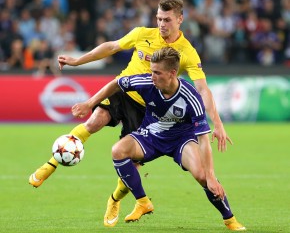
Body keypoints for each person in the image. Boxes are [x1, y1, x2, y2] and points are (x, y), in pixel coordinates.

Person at [29, 0, 232, 228]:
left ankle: (114, 199)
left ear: (180, 19)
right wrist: (78, 61)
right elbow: (112, 46)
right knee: (95, 120)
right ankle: (51, 163)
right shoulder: (143, 34)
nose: (161, 24)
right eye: (158, 18)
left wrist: (218, 123)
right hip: (123, 89)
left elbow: (202, 89)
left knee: (131, 164)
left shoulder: (187, 52)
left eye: (166, 19)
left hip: (148, 109)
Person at [71, 47, 246, 231]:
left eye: (156, 72)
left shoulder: (191, 97)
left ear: (172, 73)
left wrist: (211, 176)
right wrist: (89, 103)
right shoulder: (146, 81)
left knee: (202, 176)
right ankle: (142, 201)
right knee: (118, 151)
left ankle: (230, 220)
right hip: (151, 135)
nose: (151, 76)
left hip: (181, 140)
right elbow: (116, 84)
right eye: (151, 71)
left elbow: (203, 139)